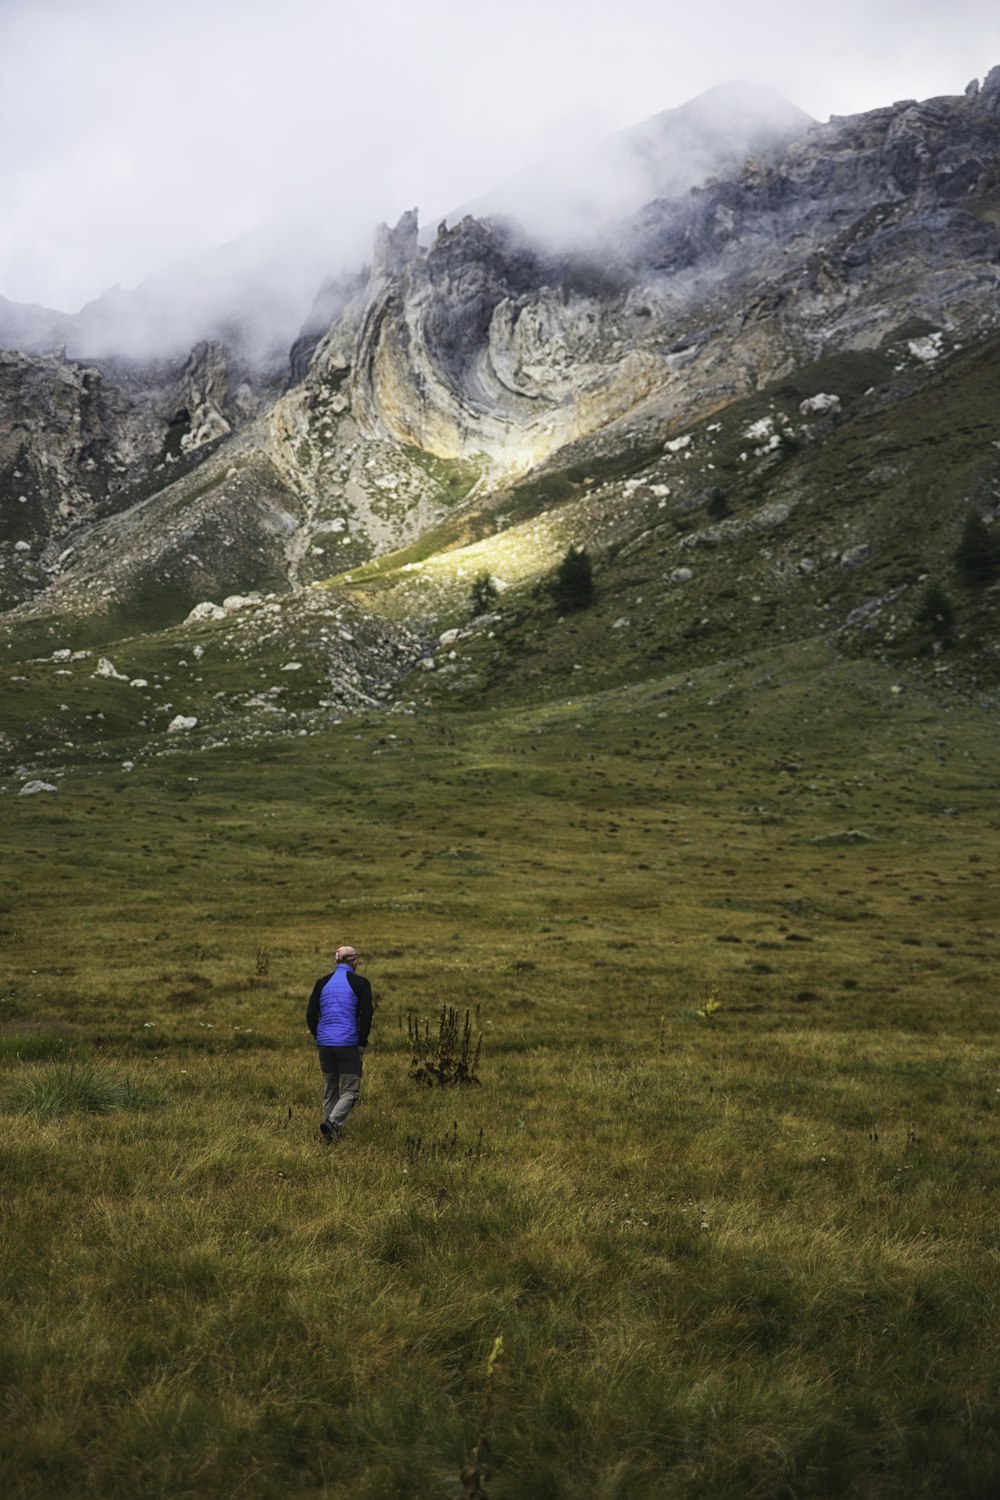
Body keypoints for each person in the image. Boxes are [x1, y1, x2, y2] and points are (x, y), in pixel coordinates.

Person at [306, 944, 373, 1141]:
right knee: (351, 1091)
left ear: (336, 961)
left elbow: (311, 1014)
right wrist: (362, 1040)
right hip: (348, 1043)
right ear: (353, 961)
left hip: (325, 1043)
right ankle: (333, 1123)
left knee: (330, 1090)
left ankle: (329, 1138)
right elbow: (366, 1015)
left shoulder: (322, 982)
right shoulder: (361, 983)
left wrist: (318, 1034)